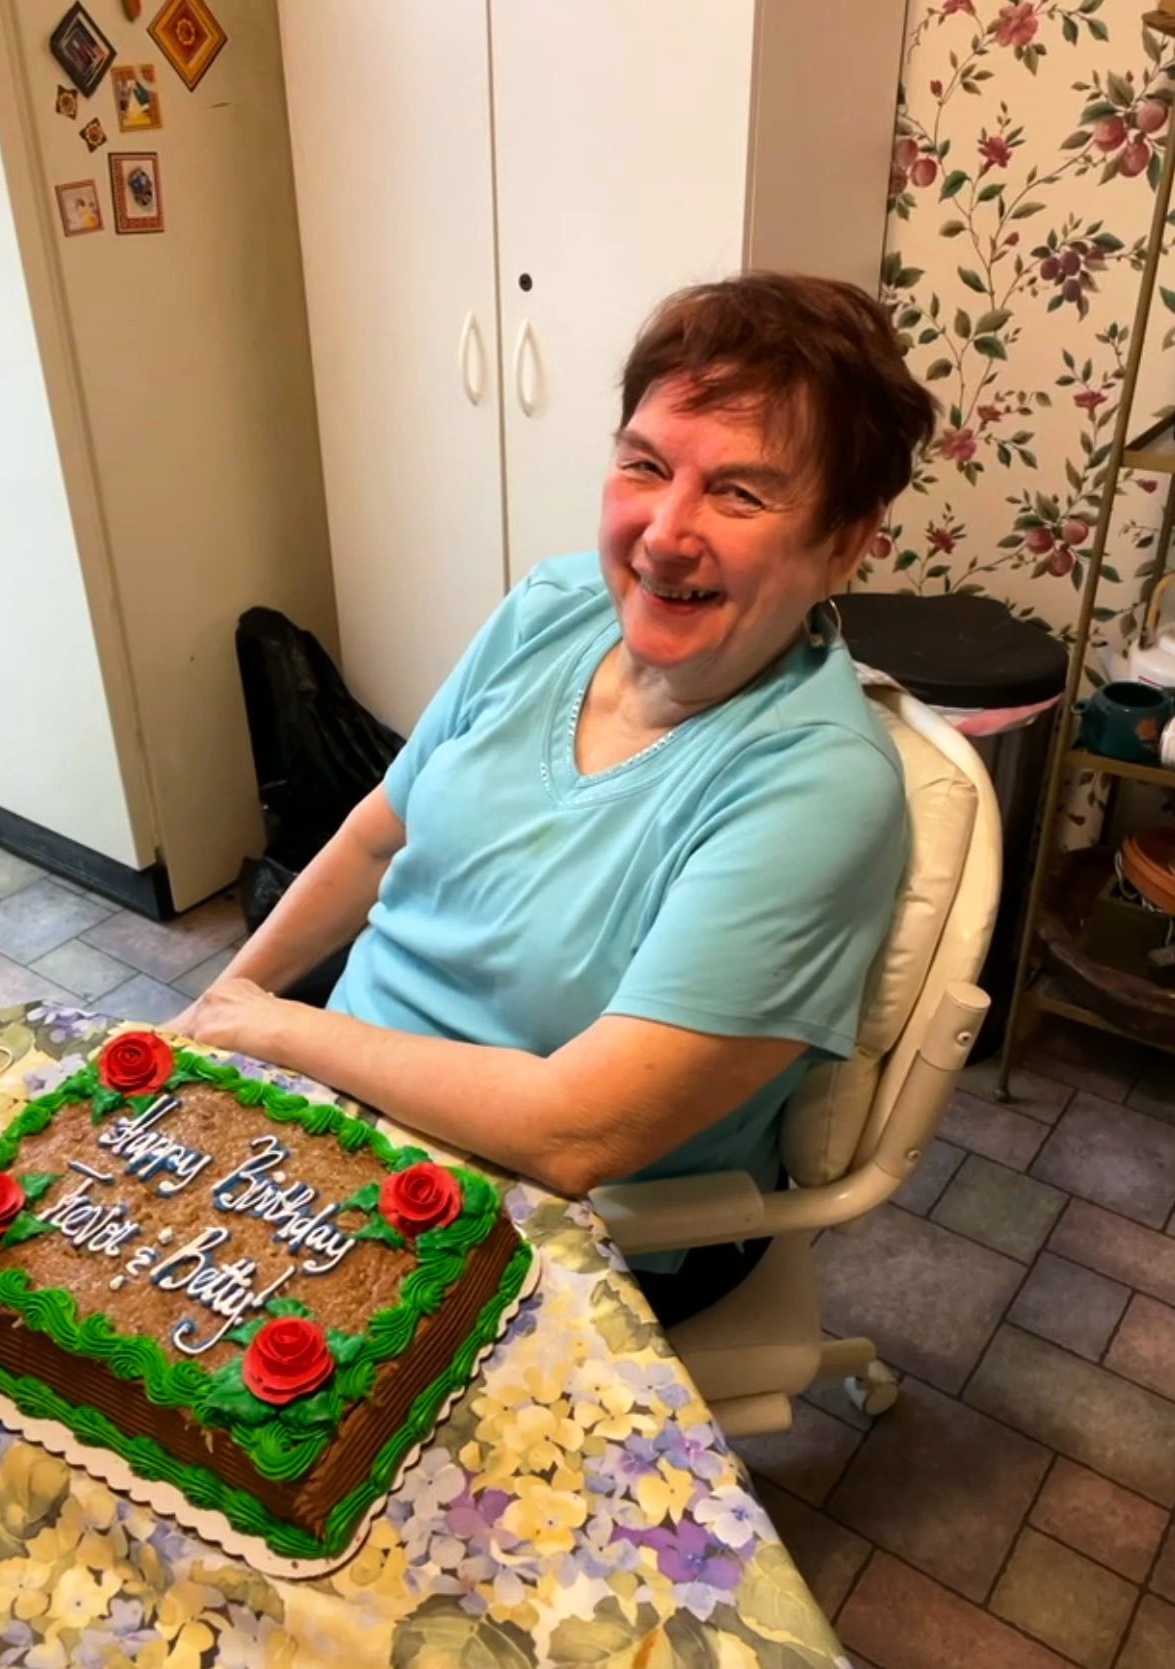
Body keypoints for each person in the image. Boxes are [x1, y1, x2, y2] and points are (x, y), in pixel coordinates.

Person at [175, 273, 936, 1327]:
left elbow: (579, 1130)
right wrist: (213, 1014)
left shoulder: (815, 788)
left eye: (739, 493)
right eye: (645, 465)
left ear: (844, 542)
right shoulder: (553, 606)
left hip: (564, 1229)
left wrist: (278, 1031)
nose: (665, 533)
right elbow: (375, 838)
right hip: (337, 1122)